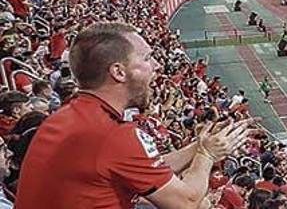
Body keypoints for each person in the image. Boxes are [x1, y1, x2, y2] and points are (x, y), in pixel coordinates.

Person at [16, 22, 256, 209]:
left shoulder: (70, 115)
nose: (157, 66)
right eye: (147, 58)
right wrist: (207, 155)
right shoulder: (111, 135)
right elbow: (187, 202)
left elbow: (146, 168)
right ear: (119, 72)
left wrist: (198, 146)